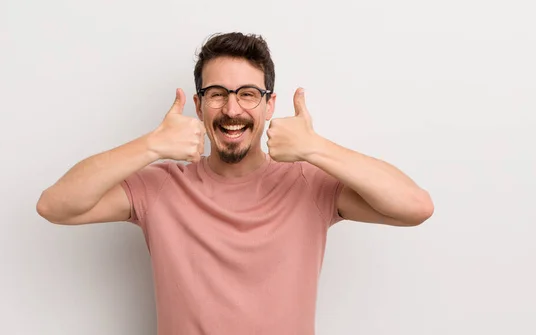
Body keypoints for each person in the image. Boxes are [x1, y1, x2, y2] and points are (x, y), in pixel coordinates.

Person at [36, 32, 434, 335]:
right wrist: (152, 145)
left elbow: (415, 207)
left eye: (247, 94)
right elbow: (55, 206)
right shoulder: (159, 187)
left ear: (269, 105)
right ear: (198, 105)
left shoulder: (309, 185)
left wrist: (316, 148)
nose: (231, 109)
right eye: (216, 94)